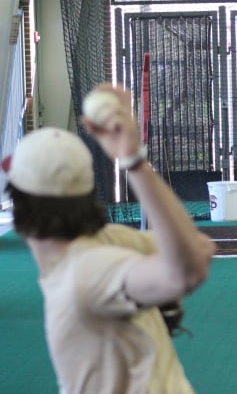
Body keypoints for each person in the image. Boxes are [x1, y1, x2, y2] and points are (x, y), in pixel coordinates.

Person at [1, 84, 216, 393]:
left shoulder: (85, 273)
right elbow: (199, 248)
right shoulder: (113, 240)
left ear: (21, 206)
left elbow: (188, 269)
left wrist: (134, 161)